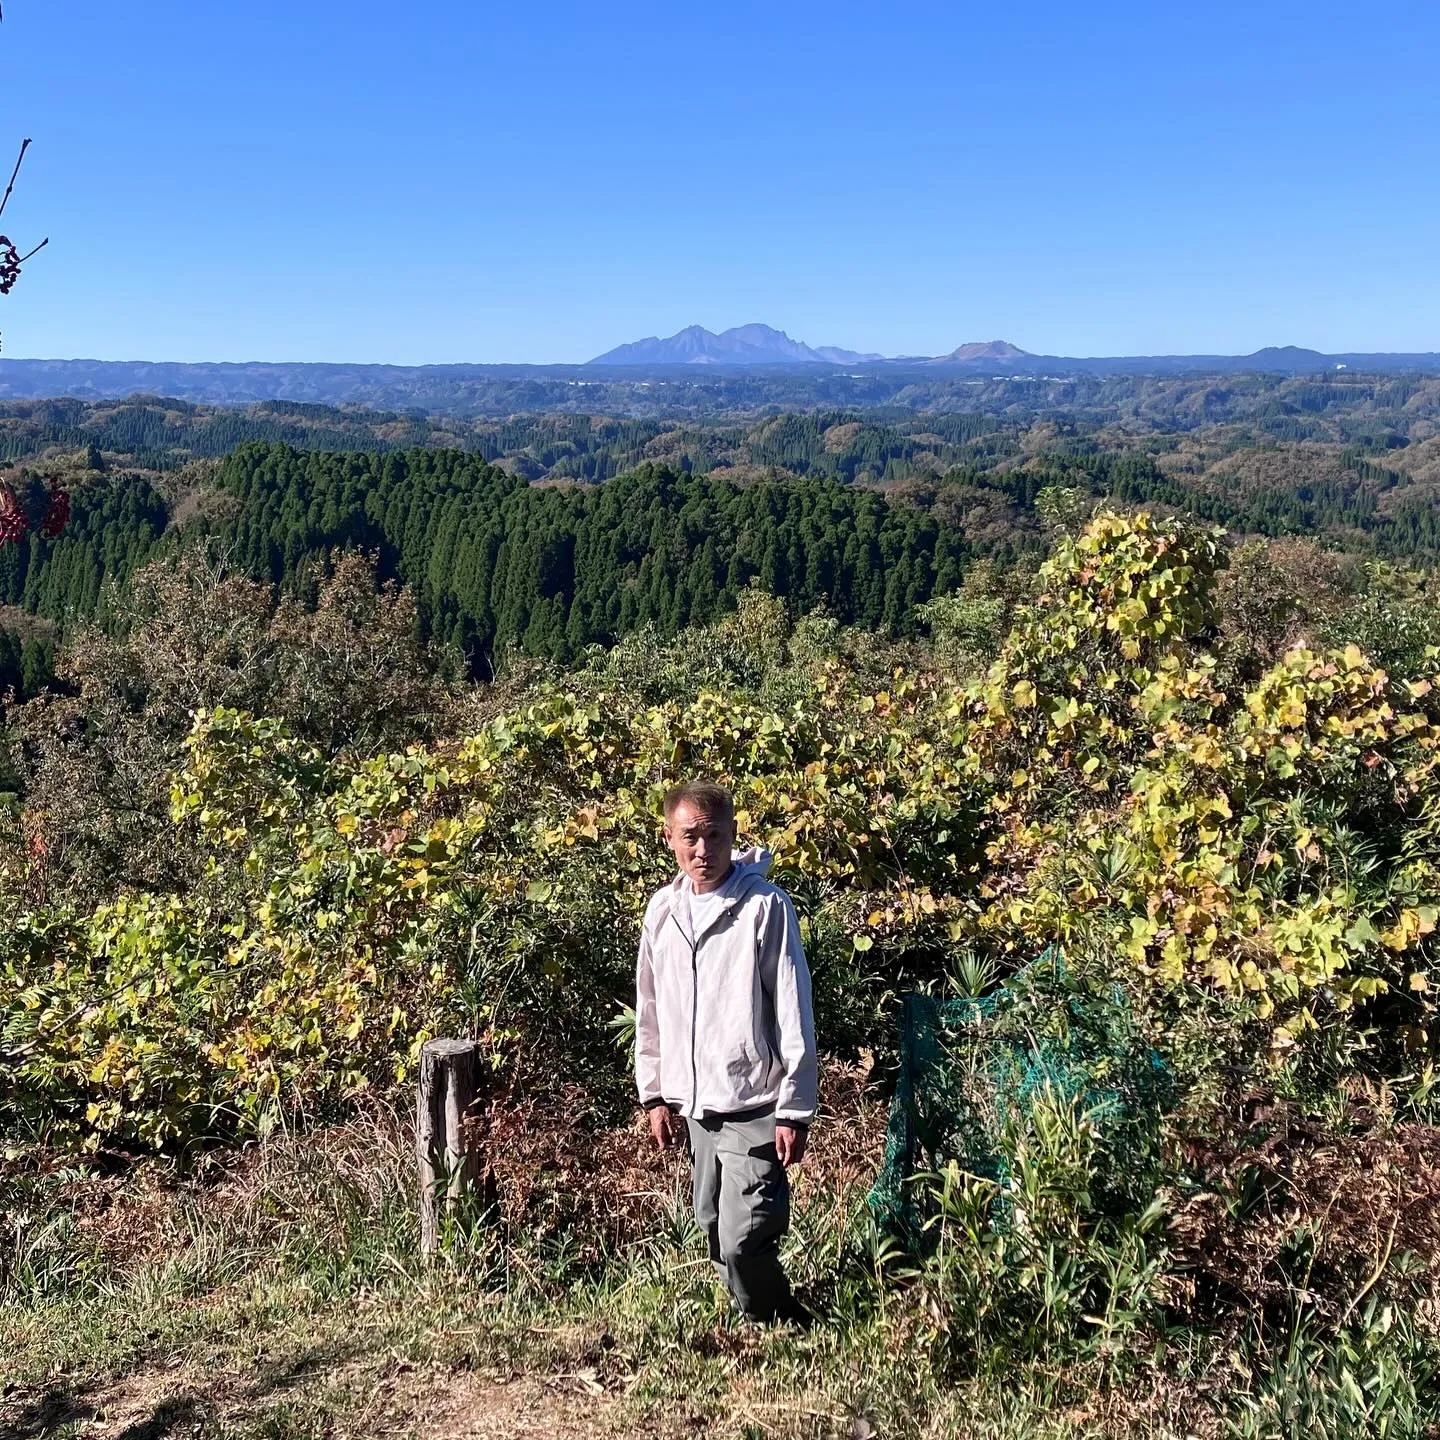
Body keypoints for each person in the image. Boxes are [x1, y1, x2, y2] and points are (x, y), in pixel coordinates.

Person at [634, 780, 817, 1324]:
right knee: (711, 1222)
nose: (702, 851)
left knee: (745, 1236)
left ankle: (779, 1322)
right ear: (669, 837)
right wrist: (656, 1094)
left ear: (733, 835)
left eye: (714, 837)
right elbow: (649, 1006)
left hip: (755, 1101)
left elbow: (792, 1004)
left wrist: (795, 1106)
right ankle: (754, 1316)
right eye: (690, 837)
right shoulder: (663, 911)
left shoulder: (764, 907)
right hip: (696, 1106)